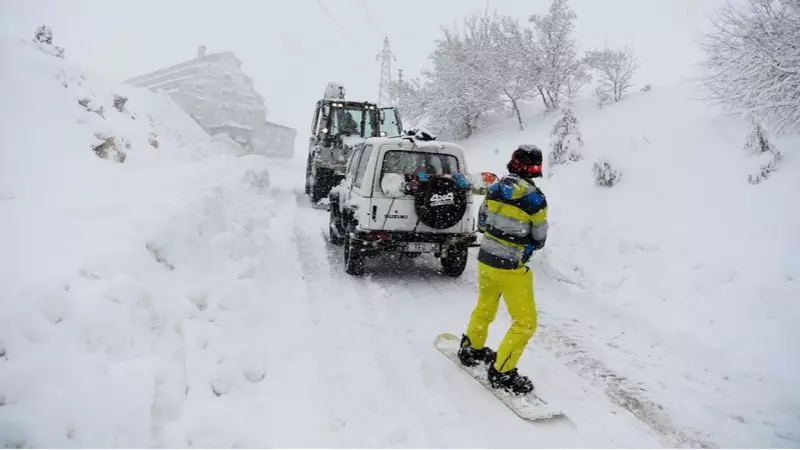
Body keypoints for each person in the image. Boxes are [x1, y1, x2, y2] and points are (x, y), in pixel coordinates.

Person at [457, 145, 549, 395]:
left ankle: (471, 349)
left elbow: (482, 222)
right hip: (511, 267)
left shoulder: (495, 188)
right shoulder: (535, 199)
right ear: (536, 169)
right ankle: (502, 371)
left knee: (485, 307)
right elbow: (539, 237)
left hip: (485, 260)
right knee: (525, 323)